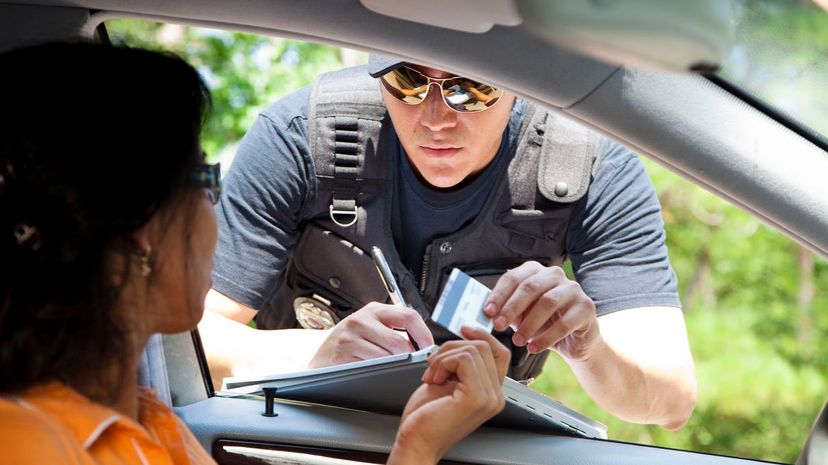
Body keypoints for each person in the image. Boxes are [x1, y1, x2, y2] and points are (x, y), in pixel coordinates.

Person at [0, 42, 509, 465]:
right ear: (140, 228)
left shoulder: (146, 419)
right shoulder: (30, 442)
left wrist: (414, 444)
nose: (217, 205)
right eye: (204, 177)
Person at [203, 56, 698, 429]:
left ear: (520, 80)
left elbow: (670, 400)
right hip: (302, 434)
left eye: (472, 89)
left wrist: (590, 351)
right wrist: (315, 356)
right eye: (407, 81)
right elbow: (181, 339)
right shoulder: (301, 139)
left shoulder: (593, 167)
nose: (436, 117)